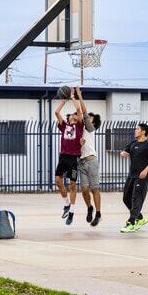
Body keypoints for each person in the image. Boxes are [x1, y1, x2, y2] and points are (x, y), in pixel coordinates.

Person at [119, 123, 148, 233]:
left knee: (136, 198)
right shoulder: (133, 143)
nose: (135, 130)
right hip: (132, 175)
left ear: (143, 132)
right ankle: (140, 218)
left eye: (137, 129)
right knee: (126, 198)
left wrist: (145, 170)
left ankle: (131, 222)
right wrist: (123, 153)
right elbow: (125, 151)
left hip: (142, 176)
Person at [55, 87, 84, 225]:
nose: (73, 115)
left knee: (72, 184)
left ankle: (71, 212)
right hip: (63, 156)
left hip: (74, 158)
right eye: (71, 114)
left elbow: (79, 110)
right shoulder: (64, 126)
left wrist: (73, 97)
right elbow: (56, 112)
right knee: (58, 181)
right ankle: (66, 204)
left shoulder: (79, 126)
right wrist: (64, 101)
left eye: (75, 114)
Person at [75, 86, 102, 227]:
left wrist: (79, 96)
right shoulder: (80, 131)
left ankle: (98, 213)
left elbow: (83, 112)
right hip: (82, 162)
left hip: (91, 161)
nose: (87, 118)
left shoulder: (90, 129)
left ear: (93, 122)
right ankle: (89, 208)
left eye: (89, 118)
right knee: (84, 189)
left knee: (94, 189)